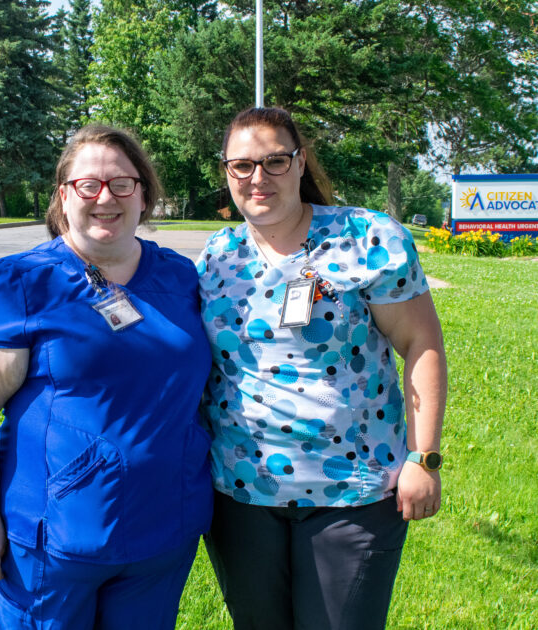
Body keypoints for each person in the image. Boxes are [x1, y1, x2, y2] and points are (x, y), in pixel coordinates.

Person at [0, 125, 213, 629]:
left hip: (163, 534)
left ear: (145, 195)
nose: (104, 197)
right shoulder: (23, 282)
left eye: (121, 183)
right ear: (63, 197)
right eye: (87, 185)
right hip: (53, 545)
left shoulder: (180, 278)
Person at [196, 107, 447, 630]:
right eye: (241, 165)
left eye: (274, 161)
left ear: (300, 161)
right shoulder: (217, 256)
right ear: (225, 172)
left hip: (354, 491)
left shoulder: (366, 238)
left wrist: (424, 457)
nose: (257, 178)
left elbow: (420, 342)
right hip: (240, 495)